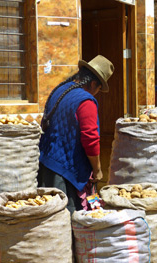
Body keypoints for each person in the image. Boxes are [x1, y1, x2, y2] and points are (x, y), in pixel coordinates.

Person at [38, 55, 114, 213]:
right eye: (99, 89)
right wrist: (98, 169)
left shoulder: (60, 90)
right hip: (66, 172)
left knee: (50, 215)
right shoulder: (86, 101)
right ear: (93, 84)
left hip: (47, 163)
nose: (97, 93)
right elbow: (90, 139)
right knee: (67, 218)